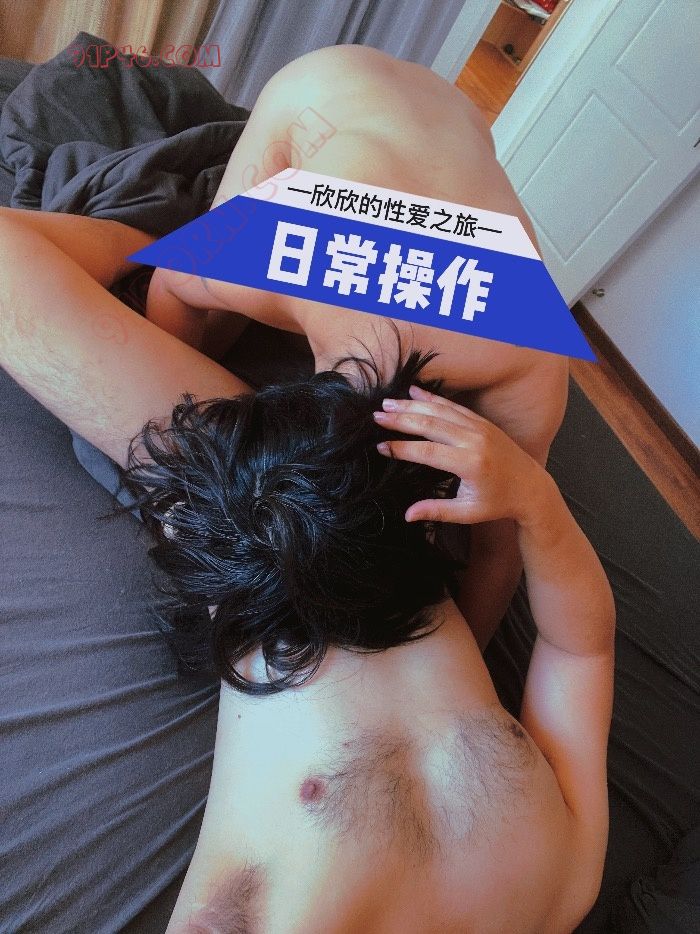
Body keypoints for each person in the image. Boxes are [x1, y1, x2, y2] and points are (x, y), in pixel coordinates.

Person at [143, 44, 570, 652]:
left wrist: (464, 661)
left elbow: (502, 542)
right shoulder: (269, 258)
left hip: (457, 119)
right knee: (214, 305)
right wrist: (181, 429)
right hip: (322, 85)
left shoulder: (525, 355)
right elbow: (171, 286)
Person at [163, 384, 615, 933]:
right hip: (386, 539)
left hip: (250, 562)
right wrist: (538, 503)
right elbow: (579, 652)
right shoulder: (567, 883)